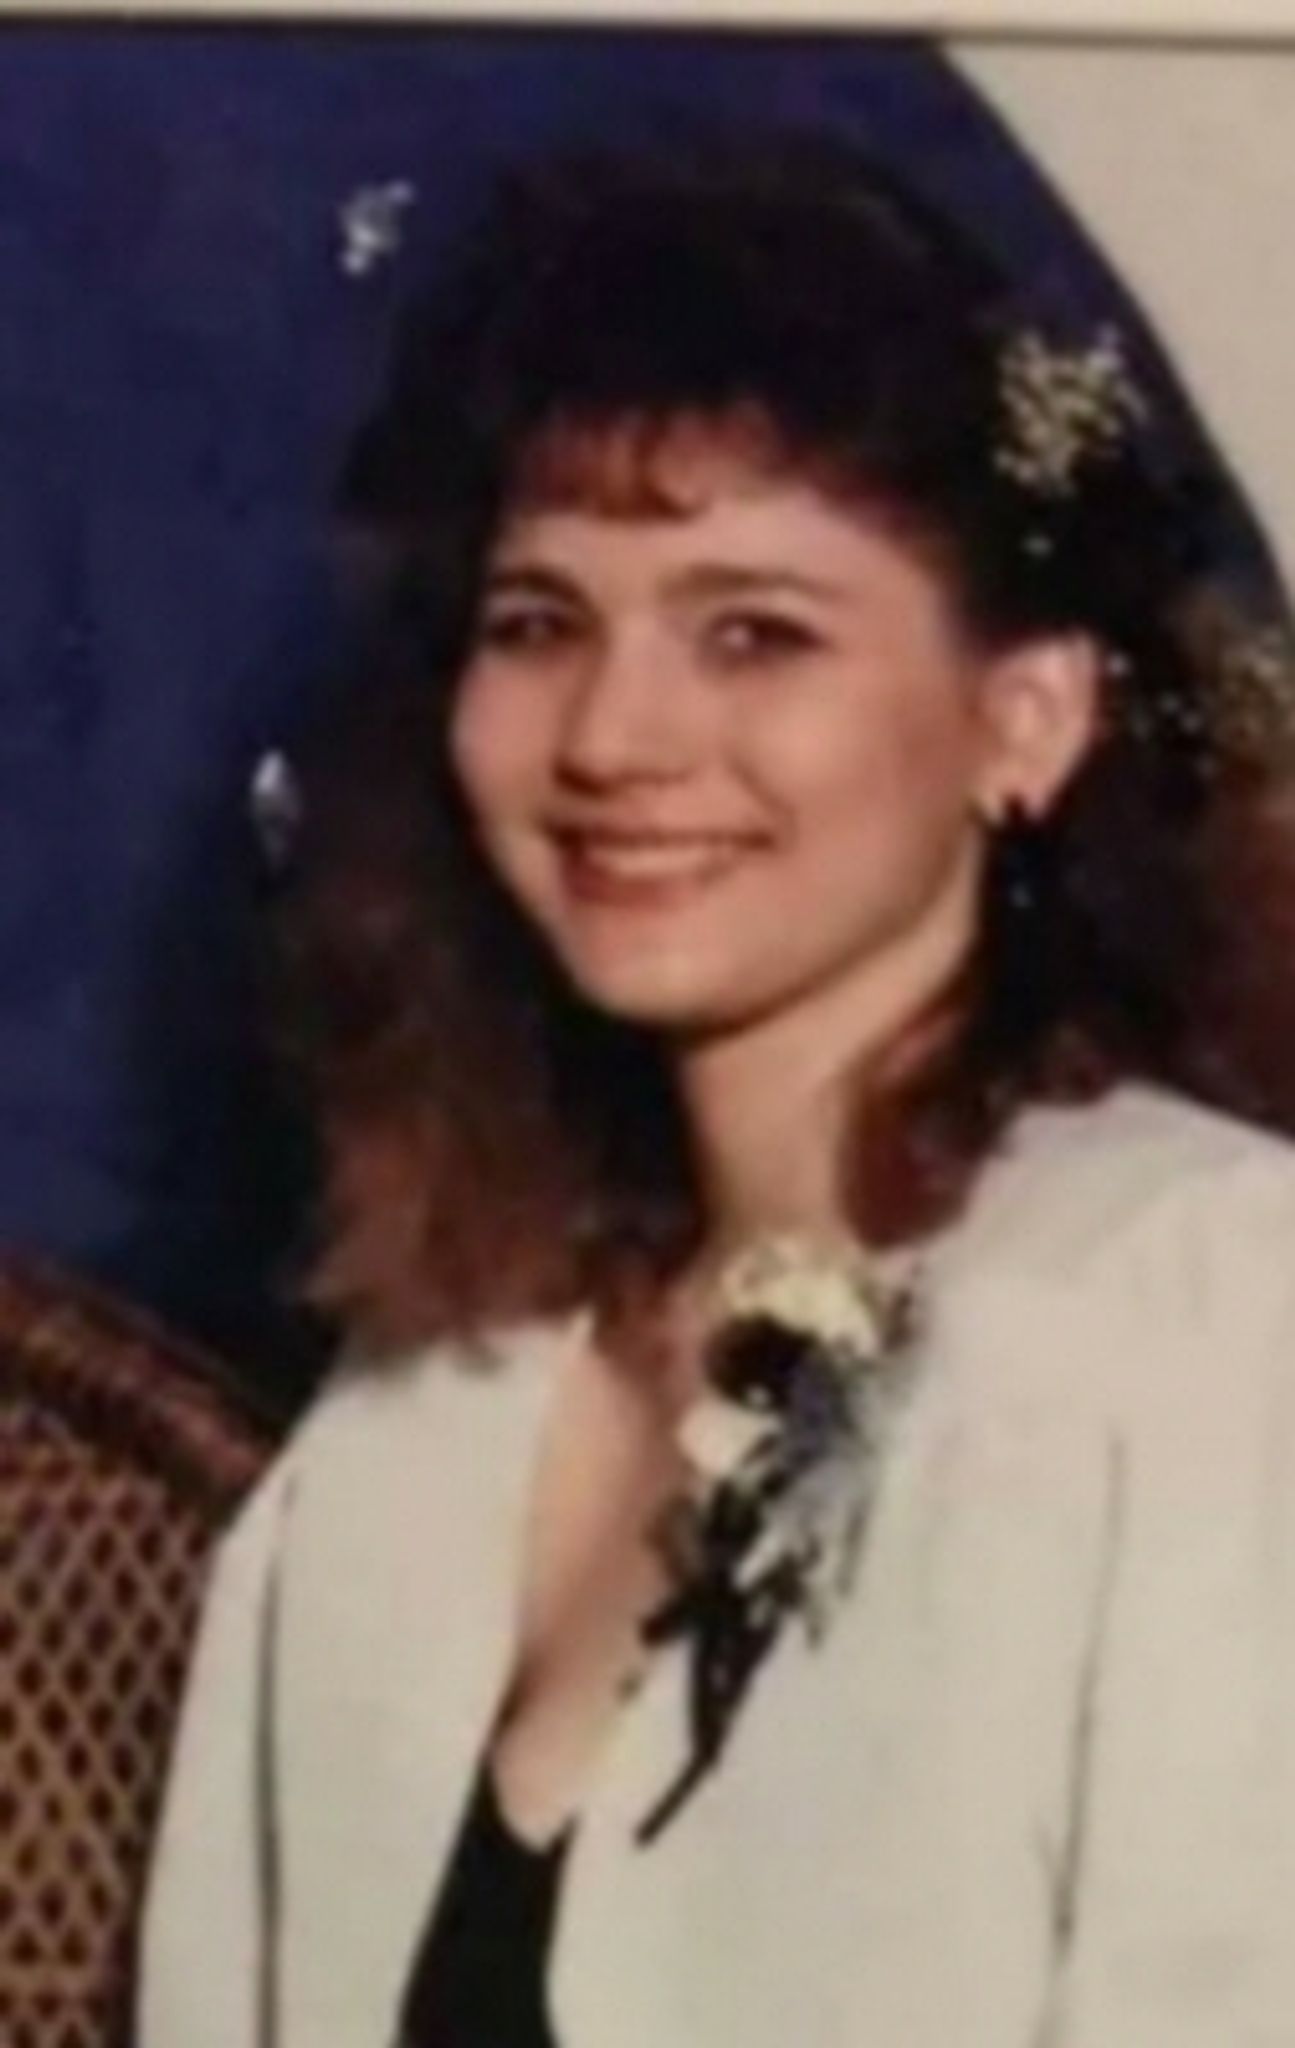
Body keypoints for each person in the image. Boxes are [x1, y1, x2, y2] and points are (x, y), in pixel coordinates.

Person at [139, 131, 1295, 2048]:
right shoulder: (430, 1401)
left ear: (1025, 719)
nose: (613, 735)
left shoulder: (1215, 1316)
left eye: (754, 630)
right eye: (539, 622)